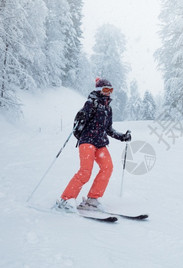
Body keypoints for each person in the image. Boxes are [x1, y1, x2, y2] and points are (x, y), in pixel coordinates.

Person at [55, 78, 131, 212]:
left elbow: (109, 129)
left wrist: (122, 137)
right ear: (99, 90)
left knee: (107, 168)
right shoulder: (91, 103)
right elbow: (80, 119)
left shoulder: (108, 108)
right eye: (106, 90)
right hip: (87, 141)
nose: (108, 93)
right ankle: (66, 200)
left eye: (110, 90)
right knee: (85, 172)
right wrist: (82, 118)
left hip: (100, 143)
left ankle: (92, 199)